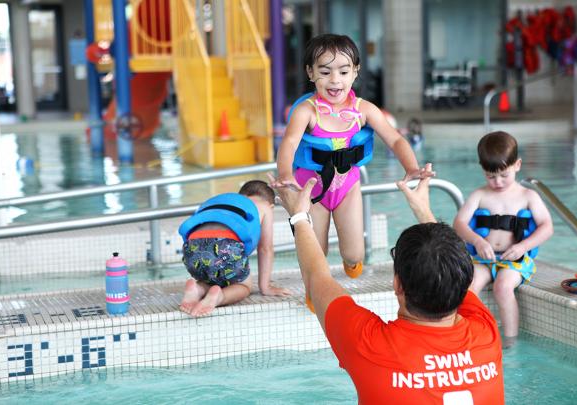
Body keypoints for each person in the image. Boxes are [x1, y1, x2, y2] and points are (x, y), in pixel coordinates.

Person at [272, 163, 505, 403]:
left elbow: (317, 278)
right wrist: (424, 210)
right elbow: (452, 271)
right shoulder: (486, 332)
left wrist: (299, 215)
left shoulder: (370, 345)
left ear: (398, 285)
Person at [273, 34, 433, 310]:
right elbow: (288, 143)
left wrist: (412, 167)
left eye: (344, 71)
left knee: (354, 253)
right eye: (325, 72)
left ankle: (350, 261)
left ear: (355, 72)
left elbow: (394, 139)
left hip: (347, 187)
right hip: (312, 189)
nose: (335, 80)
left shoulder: (363, 110)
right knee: (316, 249)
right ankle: (315, 288)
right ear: (311, 73)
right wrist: (286, 174)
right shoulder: (306, 111)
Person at [453, 131, 553, 347]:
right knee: (467, 289)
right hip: (483, 259)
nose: (497, 182)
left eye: (503, 175)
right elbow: (459, 224)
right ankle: (469, 334)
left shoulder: (528, 196)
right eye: (490, 176)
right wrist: (478, 242)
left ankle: (510, 340)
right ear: (482, 169)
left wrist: (522, 247)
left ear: (517, 165)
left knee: (503, 287)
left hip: (514, 260)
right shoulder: (479, 195)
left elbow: (547, 227)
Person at [178, 180, 291, 317]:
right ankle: (219, 297)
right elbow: (265, 249)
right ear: (271, 205)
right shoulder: (264, 206)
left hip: (192, 247)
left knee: (213, 277)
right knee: (243, 285)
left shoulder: (226, 202)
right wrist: (265, 287)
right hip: (226, 245)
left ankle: (198, 289)